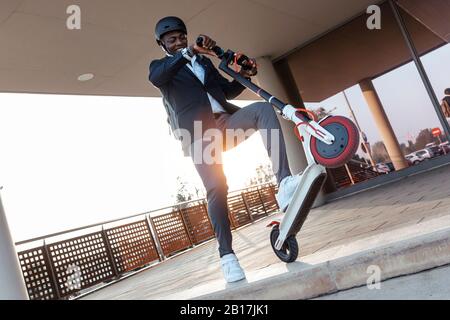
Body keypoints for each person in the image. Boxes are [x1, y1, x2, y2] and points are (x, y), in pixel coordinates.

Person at [148, 16, 301, 283]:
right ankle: (227, 256)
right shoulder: (162, 67)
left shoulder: (204, 62)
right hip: (197, 136)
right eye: (172, 40)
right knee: (218, 188)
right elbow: (157, 77)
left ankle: (285, 182)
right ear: (163, 44)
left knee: (264, 109)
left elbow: (226, 92)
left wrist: (243, 74)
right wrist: (187, 53)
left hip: (227, 125)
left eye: (182, 37)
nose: (179, 42)